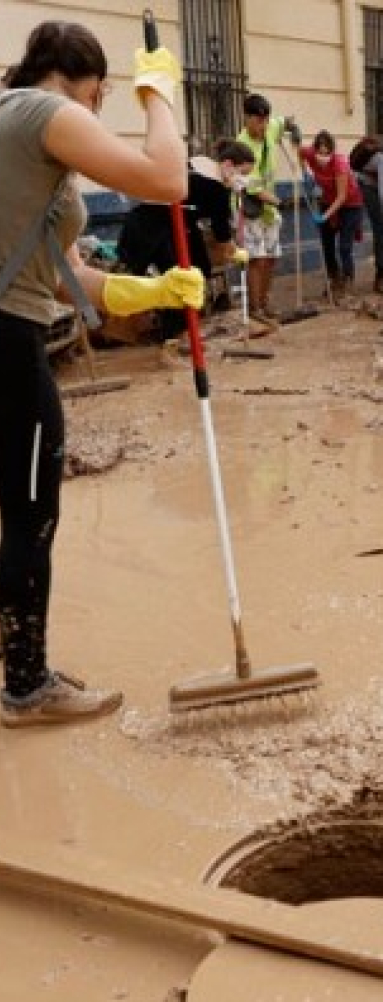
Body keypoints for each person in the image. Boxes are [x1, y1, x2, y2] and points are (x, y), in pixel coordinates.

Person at [0, 21, 204, 726]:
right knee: (29, 511)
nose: (99, 107)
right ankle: (25, 685)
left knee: (16, 506)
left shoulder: (18, 136)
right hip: (4, 340)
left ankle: (21, 665)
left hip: (11, 319)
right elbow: (168, 179)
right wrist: (160, 99)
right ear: (79, 80)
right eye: (104, 94)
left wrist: (147, 292)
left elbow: (59, 280)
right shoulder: (43, 111)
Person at [118, 137, 253, 334]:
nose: (242, 180)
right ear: (228, 164)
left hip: (169, 222)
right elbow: (222, 233)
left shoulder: (200, 164)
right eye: (242, 173)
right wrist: (235, 253)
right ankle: (174, 333)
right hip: (154, 227)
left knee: (198, 267)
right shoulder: (215, 187)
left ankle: (180, 327)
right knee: (181, 279)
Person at [237, 93, 300, 325]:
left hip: (270, 210)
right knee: (256, 259)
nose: (263, 126)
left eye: (266, 121)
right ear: (247, 119)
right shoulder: (242, 145)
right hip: (251, 209)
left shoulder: (271, 127)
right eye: (258, 122)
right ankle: (254, 307)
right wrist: (279, 202)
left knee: (271, 258)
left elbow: (285, 121)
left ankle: (265, 301)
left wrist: (294, 128)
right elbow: (252, 188)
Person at [301, 129, 362, 298]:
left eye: (326, 153)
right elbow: (299, 150)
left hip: (350, 204)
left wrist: (325, 216)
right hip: (327, 201)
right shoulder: (311, 155)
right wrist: (305, 173)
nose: (322, 157)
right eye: (319, 152)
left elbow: (342, 197)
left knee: (344, 246)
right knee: (327, 244)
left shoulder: (339, 164)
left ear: (332, 151)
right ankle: (334, 278)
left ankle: (348, 279)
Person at [355, 136, 383, 293]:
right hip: (365, 186)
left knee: (382, 229)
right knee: (380, 229)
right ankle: (380, 277)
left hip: (369, 184)